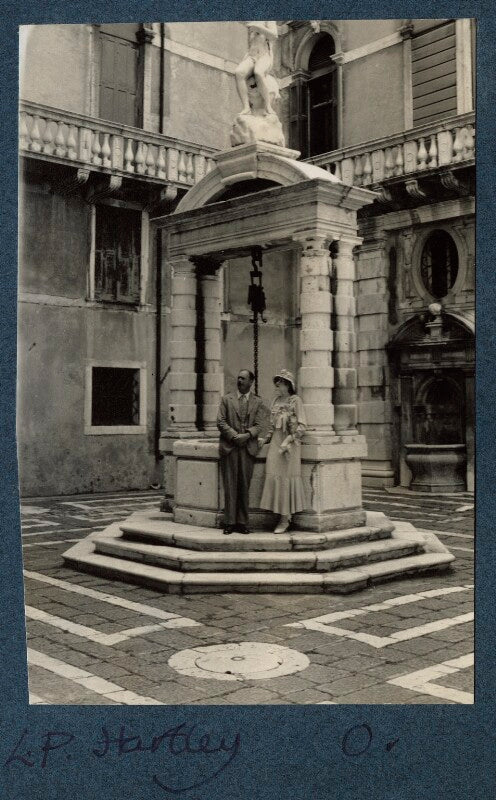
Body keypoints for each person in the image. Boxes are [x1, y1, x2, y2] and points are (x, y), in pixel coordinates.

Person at [217, 369, 267, 535]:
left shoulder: (257, 402)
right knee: (230, 485)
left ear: (251, 382)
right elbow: (220, 421)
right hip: (230, 448)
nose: (239, 381)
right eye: (238, 378)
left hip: (247, 449)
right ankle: (229, 523)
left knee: (244, 486)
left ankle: (242, 523)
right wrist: (234, 436)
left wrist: (246, 436)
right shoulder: (226, 399)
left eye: (243, 379)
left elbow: (260, 425)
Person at [259, 369, 307, 533]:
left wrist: (289, 441)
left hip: (289, 447)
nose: (276, 387)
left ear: (287, 385)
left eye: (279, 384)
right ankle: (279, 514)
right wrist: (264, 439)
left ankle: (285, 518)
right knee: (274, 475)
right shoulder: (275, 401)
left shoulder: (296, 401)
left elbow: (302, 426)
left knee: (286, 479)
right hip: (275, 445)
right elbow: (271, 427)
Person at [235, 21, 279, 116]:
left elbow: (274, 36)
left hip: (264, 56)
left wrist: (258, 28)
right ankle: (246, 107)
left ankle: (268, 105)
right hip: (251, 56)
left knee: (258, 72)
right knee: (239, 72)